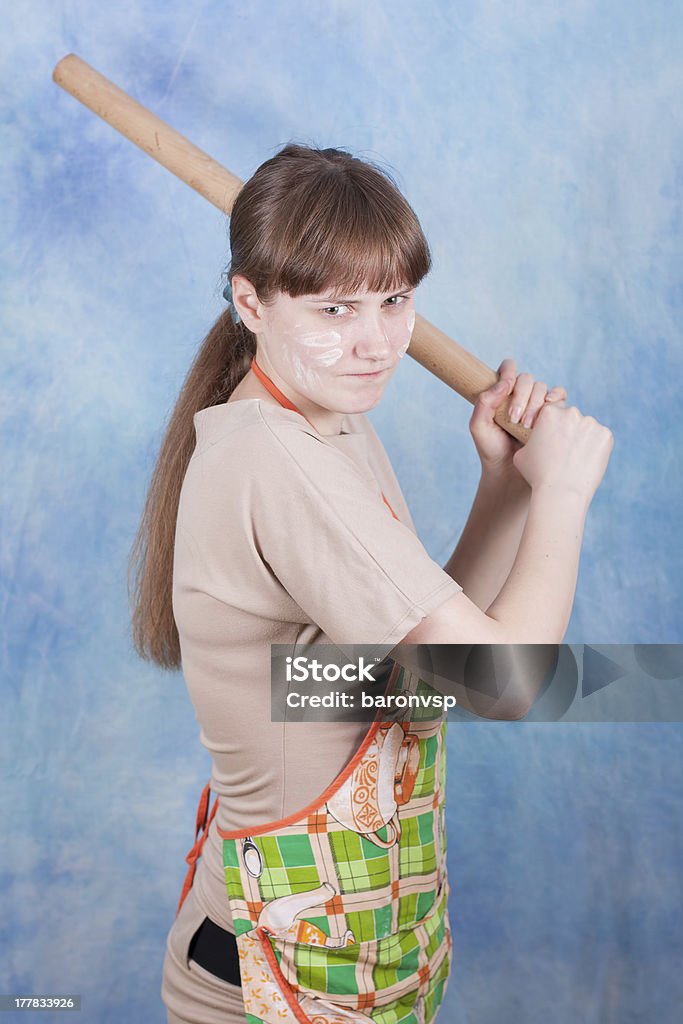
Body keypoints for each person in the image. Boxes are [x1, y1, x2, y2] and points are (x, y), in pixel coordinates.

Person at [128, 143, 613, 1024]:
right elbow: (503, 685)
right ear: (250, 301)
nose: (377, 341)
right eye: (333, 307)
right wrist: (564, 494)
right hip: (271, 975)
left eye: (394, 300)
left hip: (356, 952)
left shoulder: (321, 421)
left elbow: (420, 674)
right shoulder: (279, 459)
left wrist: (503, 488)